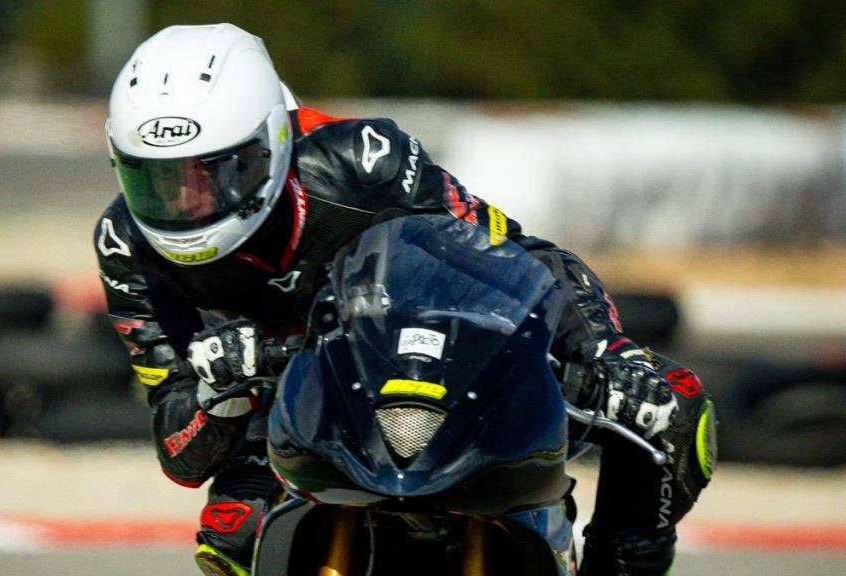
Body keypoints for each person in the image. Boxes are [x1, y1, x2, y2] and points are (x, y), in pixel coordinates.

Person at [95, 23, 715, 576]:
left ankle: (620, 559)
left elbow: (518, 255)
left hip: (415, 369)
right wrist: (219, 395)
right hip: (275, 409)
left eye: (214, 173)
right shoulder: (124, 243)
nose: (186, 204)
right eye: (158, 181)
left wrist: (613, 355)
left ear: (271, 143)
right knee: (231, 533)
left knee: (673, 412)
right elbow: (178, 451)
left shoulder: (365, 161)